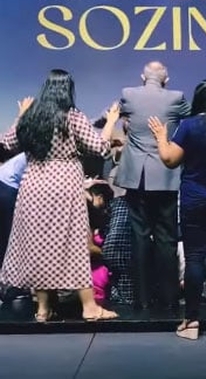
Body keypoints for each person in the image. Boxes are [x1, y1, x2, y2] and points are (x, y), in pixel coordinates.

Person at [0, 69, 120, 322]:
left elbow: (8, 143)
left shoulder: (31, 116)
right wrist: (111, 121)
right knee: (73, 244)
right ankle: (90, 307)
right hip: (64, 186)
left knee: (40, 245)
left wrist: (22, 114)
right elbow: (98, 148)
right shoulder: (72, 116)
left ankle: (43, 310)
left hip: (33, 187)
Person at [149, 79, 206, 340]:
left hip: (195, 201)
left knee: (195, 259)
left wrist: (160, 137)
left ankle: (191, 322)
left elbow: (169, 160)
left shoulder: (188, 126)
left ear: (197, 99)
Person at [114, 61, 191, 310]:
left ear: (142, 77)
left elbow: (119, 115)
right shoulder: (176, 97)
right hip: (165, 174)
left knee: (140, 238)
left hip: (137, 177)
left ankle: (142, 299)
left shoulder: (128, 94)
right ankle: (169, 299)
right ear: (166, 79)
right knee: (167, 238)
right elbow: (188, 119)